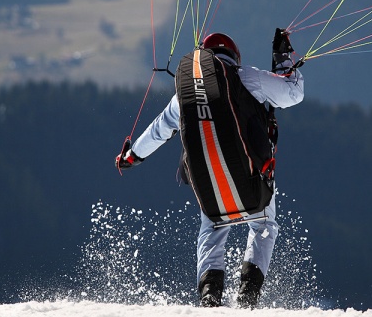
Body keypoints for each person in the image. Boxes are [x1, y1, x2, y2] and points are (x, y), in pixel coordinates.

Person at [116, 30, 304, 308]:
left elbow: (159, 130)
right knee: (264, 225)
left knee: (212, 227)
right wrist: (283, 60)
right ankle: (248, 295)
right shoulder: (246, 77)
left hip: (209, 190)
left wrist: (132, 156)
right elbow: (293, 93)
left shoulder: (184, 94)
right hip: (251, 184)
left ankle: (209, 295)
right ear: (233, 57)